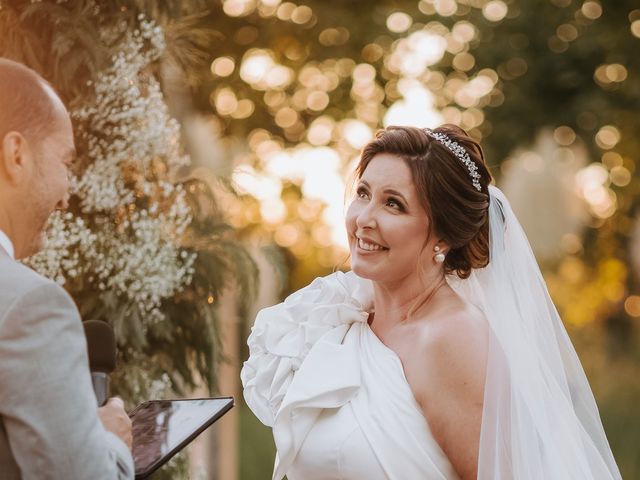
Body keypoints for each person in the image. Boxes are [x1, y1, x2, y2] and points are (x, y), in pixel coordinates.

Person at [241, 125, 622, 479]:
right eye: (363, 193)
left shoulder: (452, 338)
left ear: (442, 236)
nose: (364, 219)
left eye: (394, 204)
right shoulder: (341, 316)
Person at [0, 58, 134, 479]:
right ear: (16, 154)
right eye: (66, 163)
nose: (66, 195)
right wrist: (109, 442)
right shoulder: (29, 305)